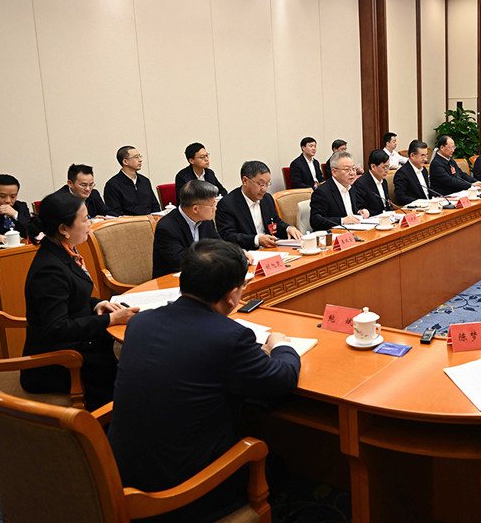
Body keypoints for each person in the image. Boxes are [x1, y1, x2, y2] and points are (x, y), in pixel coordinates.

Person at [108, 239, 300, 523]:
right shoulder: (229, 338)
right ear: (232, 296)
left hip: (120, 478)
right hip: (181, 495)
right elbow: (282, 380)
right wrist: (281, 345)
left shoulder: (140, 323)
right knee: (276, 467)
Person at [20, 191, 138, 411]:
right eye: (84, 220)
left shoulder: (63, 251)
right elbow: (57, 327)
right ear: (64, 229)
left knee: (133, 359)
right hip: (58, 361)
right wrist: (110, 319)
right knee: (128, 373)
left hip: (79, 342)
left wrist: (96, 304)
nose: (89, 224)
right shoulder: (49, 269)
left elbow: (73, 297)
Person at [216, 161, 302, 249]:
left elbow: (275, 223)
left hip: (270, 249)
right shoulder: (228, 204)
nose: (264, 189)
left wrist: (288, 229)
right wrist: (257, 240)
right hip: (246, 252)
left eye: (267, 184)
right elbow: (228, 236)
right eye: (261, 184)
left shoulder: (267, 199)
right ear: (245, 181)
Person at [152, 180, 221, 278]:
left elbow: (218, 245)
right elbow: (180, 261)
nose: (215, 208)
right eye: (212, 205)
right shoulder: (166, 227)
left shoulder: (206, 221)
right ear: (195, 208)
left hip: (202, 275)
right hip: (173, 281)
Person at [310, 152, 369, 230]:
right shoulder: (322, 192)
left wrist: (360, 211)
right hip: (335, 234)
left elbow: (351, 211)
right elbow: (315, 221)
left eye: (354, 169)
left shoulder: (351, 187)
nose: (352, 173)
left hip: (354, 230)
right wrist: (342, 221)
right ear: (334, 172)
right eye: (347, 170)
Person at [103, 145, 161, 216]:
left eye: (140, 156)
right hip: (129, 222)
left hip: (150, 221)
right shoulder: (113, 185)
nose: (140, 160)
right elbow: (115, 213)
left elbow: (155, 207)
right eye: (136, 157)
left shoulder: (145, 181)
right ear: (125, 161)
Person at [351, 149, 393, 215]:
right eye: (384, 167)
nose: (387, 170)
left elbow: (388, 204)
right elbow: (360, 209)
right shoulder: (361, 184)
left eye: (388, 167)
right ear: (373, 167)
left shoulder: (384, 181)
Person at [393, 140, 432, 206]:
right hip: (416, 208)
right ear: (412, 155)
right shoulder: (402, 173)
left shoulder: (424, 170)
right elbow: (401, 197)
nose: (426, 159)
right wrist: (421, 203)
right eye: (422, 156)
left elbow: (429, 192)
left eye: (426, 155)